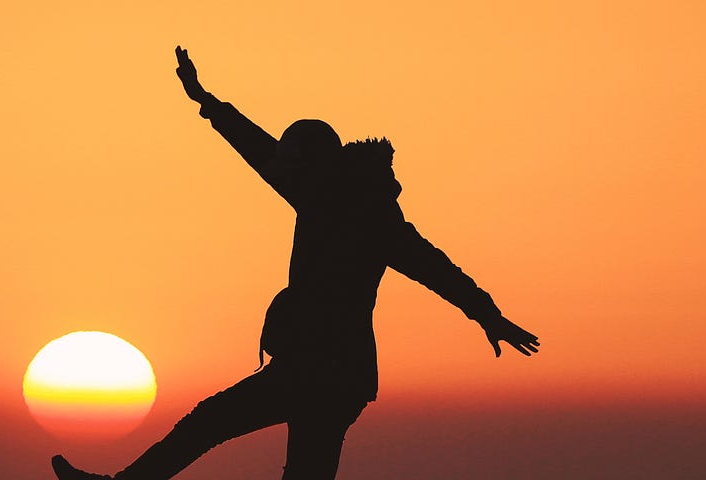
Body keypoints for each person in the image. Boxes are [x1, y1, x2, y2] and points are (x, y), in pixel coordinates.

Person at [51, 46, 541, 480]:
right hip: (337, 378)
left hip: (319, 372)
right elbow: (261, 150)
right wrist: (206, 102)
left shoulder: (345, 206)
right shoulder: (339, 197)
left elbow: (439, 272)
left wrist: (488, 315)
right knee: (236, 437)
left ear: (312, 162)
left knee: (208, 422)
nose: (284, 169)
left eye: (293, 160)